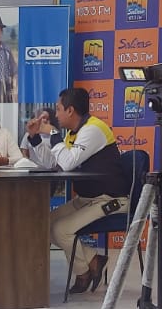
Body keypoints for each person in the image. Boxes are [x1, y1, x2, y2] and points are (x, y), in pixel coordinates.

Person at [25, 86, 131, 295]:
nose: (56, 115)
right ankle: (94, 261)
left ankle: (83, 272)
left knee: (60, 230)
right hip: (86, 198)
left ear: (70, 110)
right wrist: (35, 137)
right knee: (43, 224)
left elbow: (67, 163)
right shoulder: (75, 133)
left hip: (110, 200)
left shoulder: (93, 130)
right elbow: (53, 162)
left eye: (58, 109)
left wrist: (53, 132)